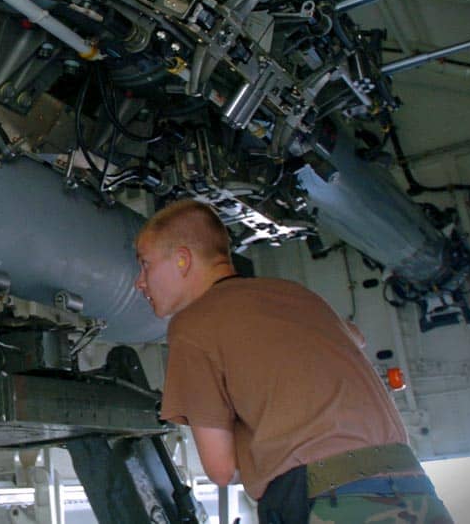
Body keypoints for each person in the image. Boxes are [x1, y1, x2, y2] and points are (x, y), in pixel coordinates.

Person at [133, 199, 452, 523]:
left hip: (325, 496)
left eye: (145, 264)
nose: (139, 281)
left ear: (183, 260)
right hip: (411, 485)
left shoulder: (191, 326)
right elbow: (355, 337)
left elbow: (221, 468)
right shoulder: (294, 293)